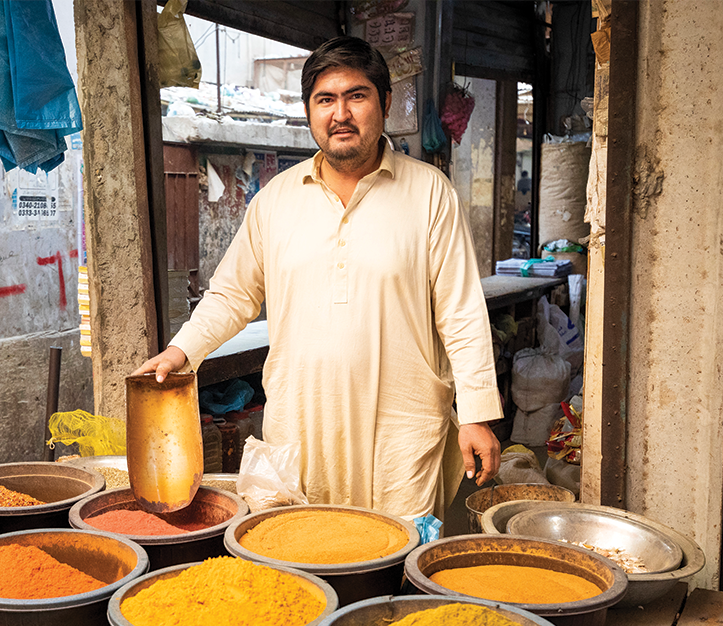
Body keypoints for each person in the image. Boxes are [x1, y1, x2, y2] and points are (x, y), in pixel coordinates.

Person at [135, 36, 501, 520]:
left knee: (395, 559)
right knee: (306, 560)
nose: (340, 114)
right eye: (325, 100)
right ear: (310, 111)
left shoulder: (430, 193)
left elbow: (461, 312)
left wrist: (475, 414)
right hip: (302, 424)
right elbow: (232, 294)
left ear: (385, 102)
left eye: (357, 96)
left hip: (402, 428)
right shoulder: (275, 200)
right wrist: (181, 351)